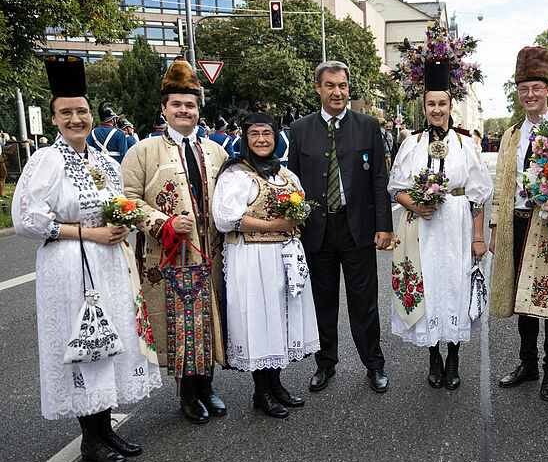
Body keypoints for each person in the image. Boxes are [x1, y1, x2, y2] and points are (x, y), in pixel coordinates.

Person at [12, 55, 161, 462]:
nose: (75, 119)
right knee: (82, 343)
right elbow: (26, 219)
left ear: (91, 114)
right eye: (66, 113)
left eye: (81, 111)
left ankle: (105, 428)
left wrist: (123, 224)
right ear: (55, 117)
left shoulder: (100, 160)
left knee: (108, 343)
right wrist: (87, 232)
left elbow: (118, 205)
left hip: (109, 262)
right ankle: (89, 438)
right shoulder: (47, 160)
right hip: (68, 264)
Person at [121, 59, 229, 424]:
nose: (184, 111)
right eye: (177, 104)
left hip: (211, 251)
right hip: (170, 253)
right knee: (182, 322)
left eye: (191, 105)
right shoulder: (143, 151)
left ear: (199, 109)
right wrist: (164, 222)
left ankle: (208, 386)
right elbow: (128, 200)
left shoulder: (216, 151)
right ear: (164, 108)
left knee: (209, 319)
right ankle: (187, 394)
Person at [288, 60, 393, 393]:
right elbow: (292, 182)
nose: (337, 92)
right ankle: (325, 363)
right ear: (318, 88)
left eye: (343, 86)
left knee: (365, 302)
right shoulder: (300, 129)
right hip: (317, 230)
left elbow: (379, 178)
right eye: (330, 85)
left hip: (357, 228)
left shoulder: (367, 126)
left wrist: (383, 225)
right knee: (323, 301)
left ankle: (374, 365)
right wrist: (293, 225)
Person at [388, 58, 492, 390]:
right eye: (431, 103)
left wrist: (478, 237)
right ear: (424, 106)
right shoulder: (412, 143)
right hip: (423, 227)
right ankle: (434, 355)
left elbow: (477, 193)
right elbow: (396, 187)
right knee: (429, 285)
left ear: (451, 105)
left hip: (459, 224)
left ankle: (455, 356)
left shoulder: (464, 143)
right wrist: (415, 205)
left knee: (457, 287)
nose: (437, 109)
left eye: (442, 103)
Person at [489, 46, 548, 401]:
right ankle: (527, 364)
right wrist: (497, 227)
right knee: (522, 299)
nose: (530, 95)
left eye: (536, 88)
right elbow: (502, 182)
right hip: (517, 222)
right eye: (524, 88)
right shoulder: (512, 134)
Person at [213, 112, 320, 418]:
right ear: (245, 139)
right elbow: (224, 218)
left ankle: (276, 384)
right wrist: (274, 224)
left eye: (267, 134)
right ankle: (262, 391)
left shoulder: (286, 175)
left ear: (276, 138)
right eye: (254, 134)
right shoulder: (236, 175)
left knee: (281, 319)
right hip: (251, 256)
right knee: (260, 320)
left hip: (283, 257)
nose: (261, 139)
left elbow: (301, 208)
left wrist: (297, 218)